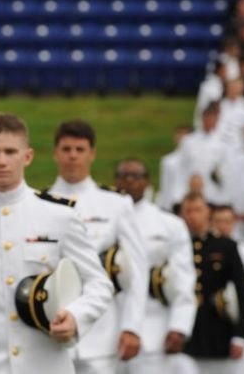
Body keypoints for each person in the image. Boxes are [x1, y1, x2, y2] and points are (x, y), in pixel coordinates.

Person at [0, 113, 113, 374]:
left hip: (45, 365)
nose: (1, 161)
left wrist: (76, 316)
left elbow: (99, 284)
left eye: (10, 151)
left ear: (27, 156)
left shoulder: (60, 217)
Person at [48, 120, 148, 373]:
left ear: (92, 153)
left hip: (103, 330)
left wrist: (132, 327)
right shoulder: (42, 202)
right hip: (53, 326)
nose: (72, 156)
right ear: (55, 153)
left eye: (80, 150)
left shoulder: (116, 204)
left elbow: (137, 270)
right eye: (66, 149)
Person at [115, 158, 197, 374]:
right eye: (124, 176)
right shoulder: (104, 221)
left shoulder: (169, 224)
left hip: (154, 327)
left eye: (136, 176)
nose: (129, 181)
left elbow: (184, 278)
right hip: (110, 326)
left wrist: (179, 327)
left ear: (147, 182)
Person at [178, 192, 244, 374]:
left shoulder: (225, 246)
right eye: (188, 211)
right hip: (184, 328)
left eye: (197, 210)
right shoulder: (177, 244)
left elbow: (242, 291)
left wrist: (240, 335)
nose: (192, 216)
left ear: (207, 212)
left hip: (217, 329)